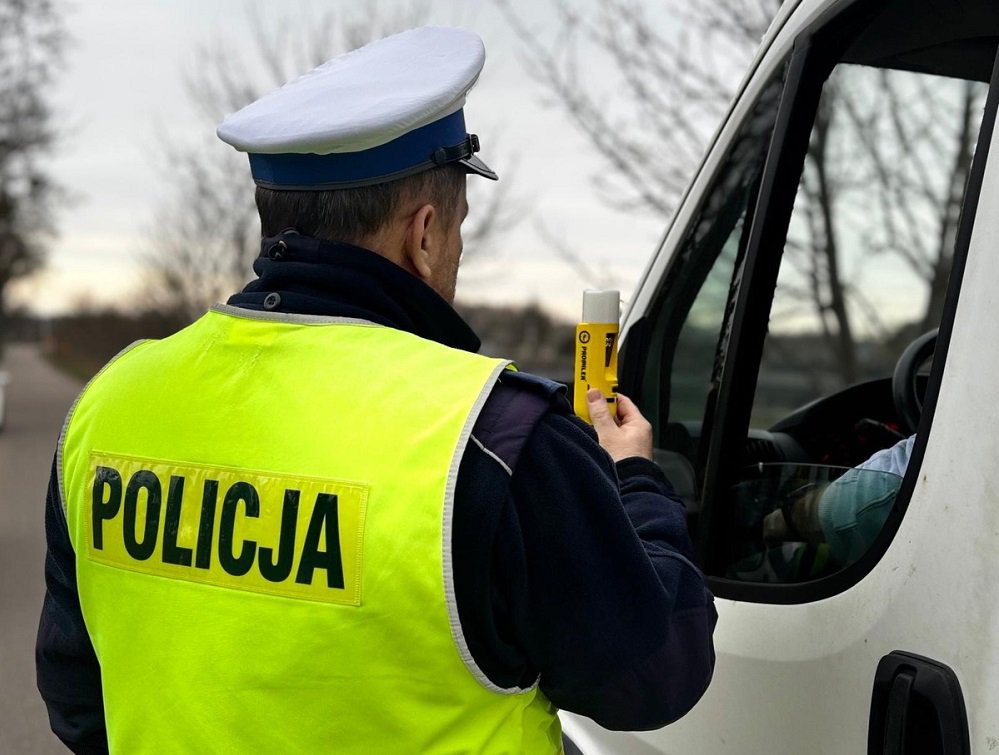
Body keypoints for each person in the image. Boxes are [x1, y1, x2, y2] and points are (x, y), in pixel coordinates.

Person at [36, 27, 716, 754]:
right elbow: (652, 675)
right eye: (456, 228)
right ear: (423, 234)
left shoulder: (112, 402)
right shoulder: (497, 439)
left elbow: (80, 697)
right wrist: (634, 480)